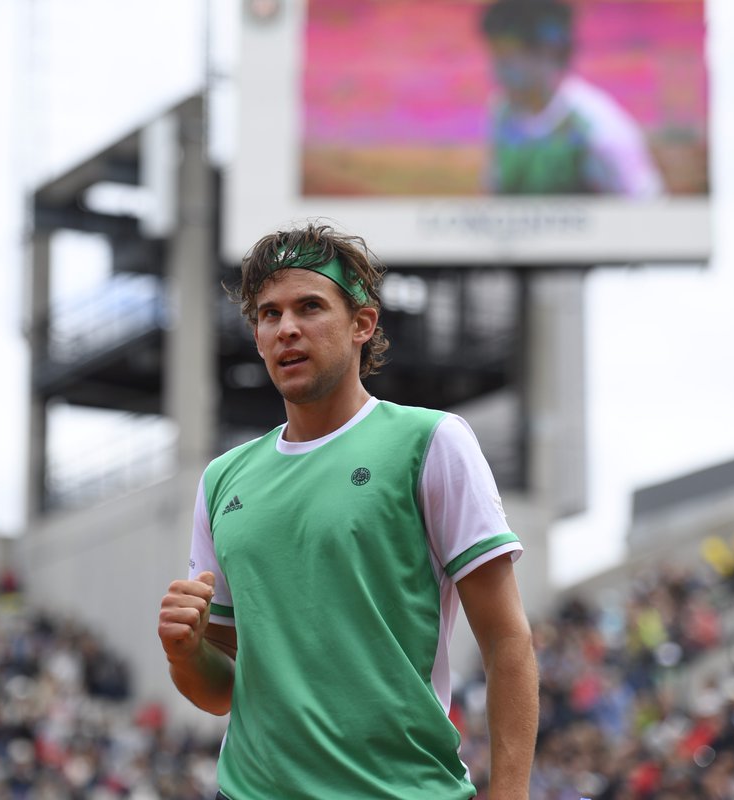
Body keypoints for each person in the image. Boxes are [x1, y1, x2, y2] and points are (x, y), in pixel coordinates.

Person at [157, 223, 539, 799]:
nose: (287, 328)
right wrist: (185, 655)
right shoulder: (221, 480)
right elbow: (222, 691)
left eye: (309, 307)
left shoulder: (431, 442)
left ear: (362, 323)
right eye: (269, 314)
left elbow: (507, 641)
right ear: (258, 337)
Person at [479, 0, 664, 197]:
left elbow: (645, 203)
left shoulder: (597, 125)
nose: (496, 71)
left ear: (546, 53)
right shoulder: (502, 113)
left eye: (506, 58)